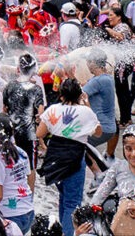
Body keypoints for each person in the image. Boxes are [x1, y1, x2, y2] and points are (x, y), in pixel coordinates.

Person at [37, 78, 101, 236]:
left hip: (55, 157)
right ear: (79, 95)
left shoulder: (53, 110)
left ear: (61, 95)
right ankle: (69, 232)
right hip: (74, 155)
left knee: (63, 198)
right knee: (72, 202)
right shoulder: (85, 112)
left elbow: (39, 133)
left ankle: (63, 231)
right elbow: (98, 132)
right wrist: (86, 104)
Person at [0, 113, 35, 234]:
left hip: (9, 215)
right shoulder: (21, 152)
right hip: (28, 211)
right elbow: (29, 179)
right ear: (12, 132)